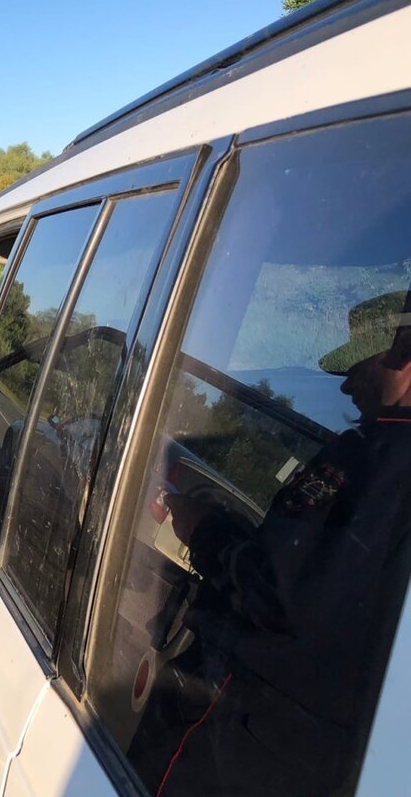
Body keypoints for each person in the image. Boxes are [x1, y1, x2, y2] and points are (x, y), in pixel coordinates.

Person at [130, 291, 411, 796]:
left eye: (359, 365)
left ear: (404, 354)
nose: (346, 385)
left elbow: (279, 596)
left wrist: (203, 529)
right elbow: (324, 581)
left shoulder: (374, 460)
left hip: (238, 737)